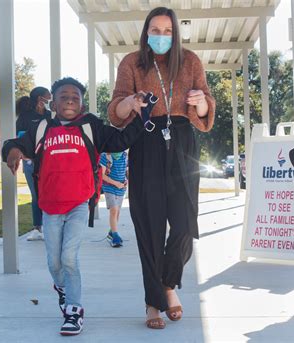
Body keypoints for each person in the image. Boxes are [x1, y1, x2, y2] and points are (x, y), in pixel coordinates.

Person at [3, 77, 149, 336]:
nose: (70, 99)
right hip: (50, 207)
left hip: (79, 204)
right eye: (63, 96)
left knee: (69, 257)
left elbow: (119, 141)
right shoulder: (42, 128)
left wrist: (140, 117)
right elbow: (15, 144)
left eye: (75, 96)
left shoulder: (90, 126)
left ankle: (74, 309)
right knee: (54, 261)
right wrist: (12, 152)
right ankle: (62, 288)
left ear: (81, 103)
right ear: (53, 103)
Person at [108, 7, 215, 329]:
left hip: (183, 142)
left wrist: (201, 102)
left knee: (184, 224)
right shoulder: (131, 62)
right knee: (150, 225)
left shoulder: (191, 61)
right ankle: (153, 302)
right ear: (146, 32)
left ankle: (168, 283)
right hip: (147, 141)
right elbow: (115, 109)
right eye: (155, 30)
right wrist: (129, 104)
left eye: (167, 31)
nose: (161, 36)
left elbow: (207, 107)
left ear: (175, 34)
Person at [16, 87, 52, 241]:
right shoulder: (25, 117)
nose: (50, 102)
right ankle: (37, 228)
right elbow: (19, 137)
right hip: (31, 162)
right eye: (47, 99)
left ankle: (51, 226)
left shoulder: (50, 116)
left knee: (50, 194)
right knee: (36, 195)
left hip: (49, 161)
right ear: (40, 99)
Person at [99, 151, 128, 247]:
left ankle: (111, 232)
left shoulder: (124, 155)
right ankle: (115, 236)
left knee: (117, 212)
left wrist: (126, 180)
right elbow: (102, 175)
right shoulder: (105, 156)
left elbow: (126, 171)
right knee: (114, 210)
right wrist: (116, 183)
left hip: (121, 188)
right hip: (109, 187)